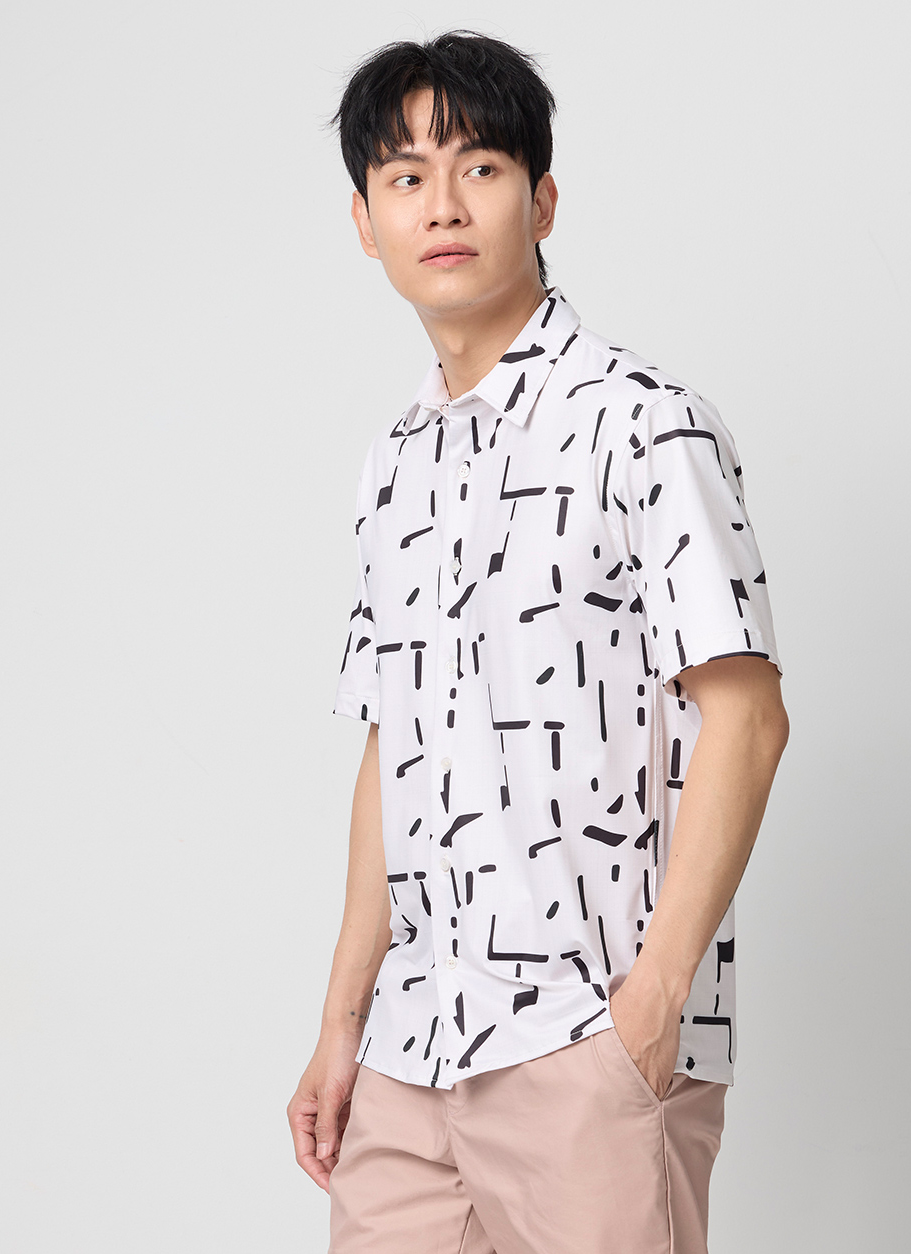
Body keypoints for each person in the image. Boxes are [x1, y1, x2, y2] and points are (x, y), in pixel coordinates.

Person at [288, 29, 790, 1254]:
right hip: (411, 1054)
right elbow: (392, 749)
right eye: (405, 176)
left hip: (584, 1039)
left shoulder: (644, 424)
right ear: (365, 221)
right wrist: (342, 1026)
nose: (442, 204)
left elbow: (746, 714)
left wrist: (651, 1006)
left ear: (542, 199)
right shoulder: (395, 464)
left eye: (479, 167)